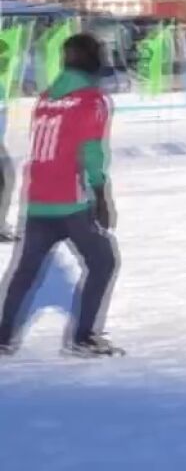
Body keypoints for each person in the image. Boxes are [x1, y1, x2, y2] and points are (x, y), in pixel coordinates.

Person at [0, 33, 122, 358]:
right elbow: (91, 151)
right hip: (71, 200)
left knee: (24, 271)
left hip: (38, 196)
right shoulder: (91, 100)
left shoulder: (46, 97)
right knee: (104, 261)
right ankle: (83, 337)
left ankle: (3, 335)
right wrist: (100, 193)